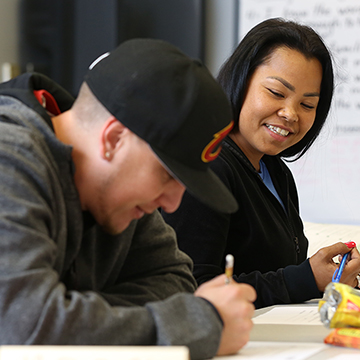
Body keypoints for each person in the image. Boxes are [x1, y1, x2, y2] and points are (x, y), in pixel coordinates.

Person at [0, 38, 256, 359]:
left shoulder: (119, 197)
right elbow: (21, 327)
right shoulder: (8, 161)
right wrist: (199, 323)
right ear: (114, 139)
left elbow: (176, 281)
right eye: (167, 175)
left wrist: (69, 311)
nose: (173, 204)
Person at [162, 18, 360, 309]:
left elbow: (276, 273)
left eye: (307, 105)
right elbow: (193, 289)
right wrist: (305, 279)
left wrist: (327, 277)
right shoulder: (208, 169)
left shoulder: (275, 171)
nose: (291, 114)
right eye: (276, 93)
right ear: (241, 82)